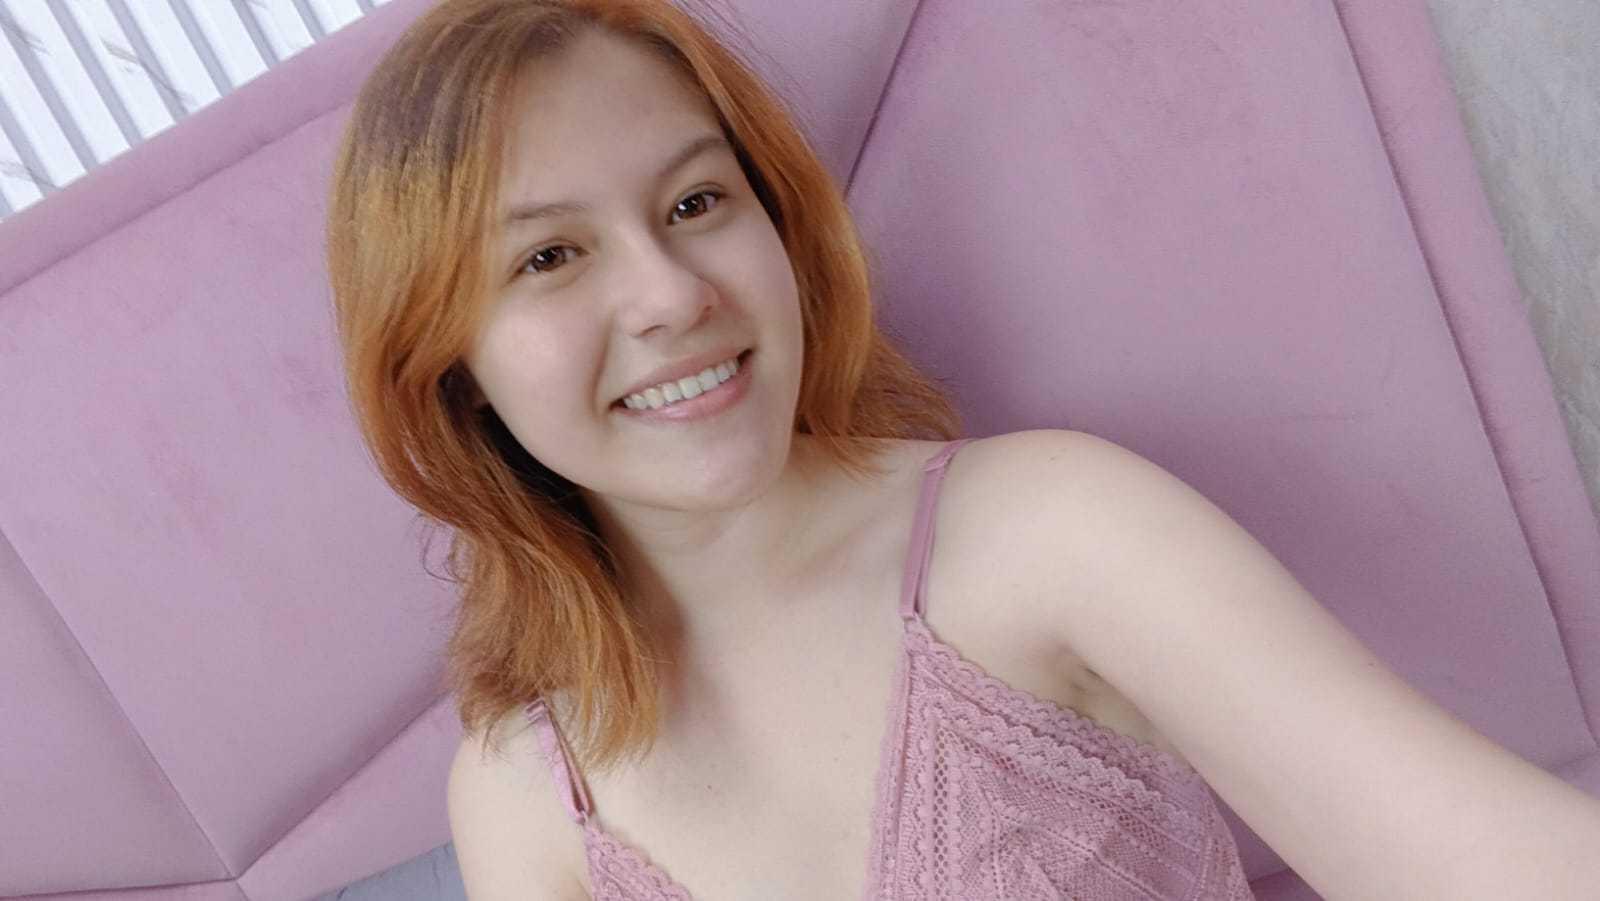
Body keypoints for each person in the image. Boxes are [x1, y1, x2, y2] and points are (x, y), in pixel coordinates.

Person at [324, 2, 1600, 899]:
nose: (668, 293)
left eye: (697, 202)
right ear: (450, 362)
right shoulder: (522, 791)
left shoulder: (1047, 531)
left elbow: (1488, 859)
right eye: (549, 256)